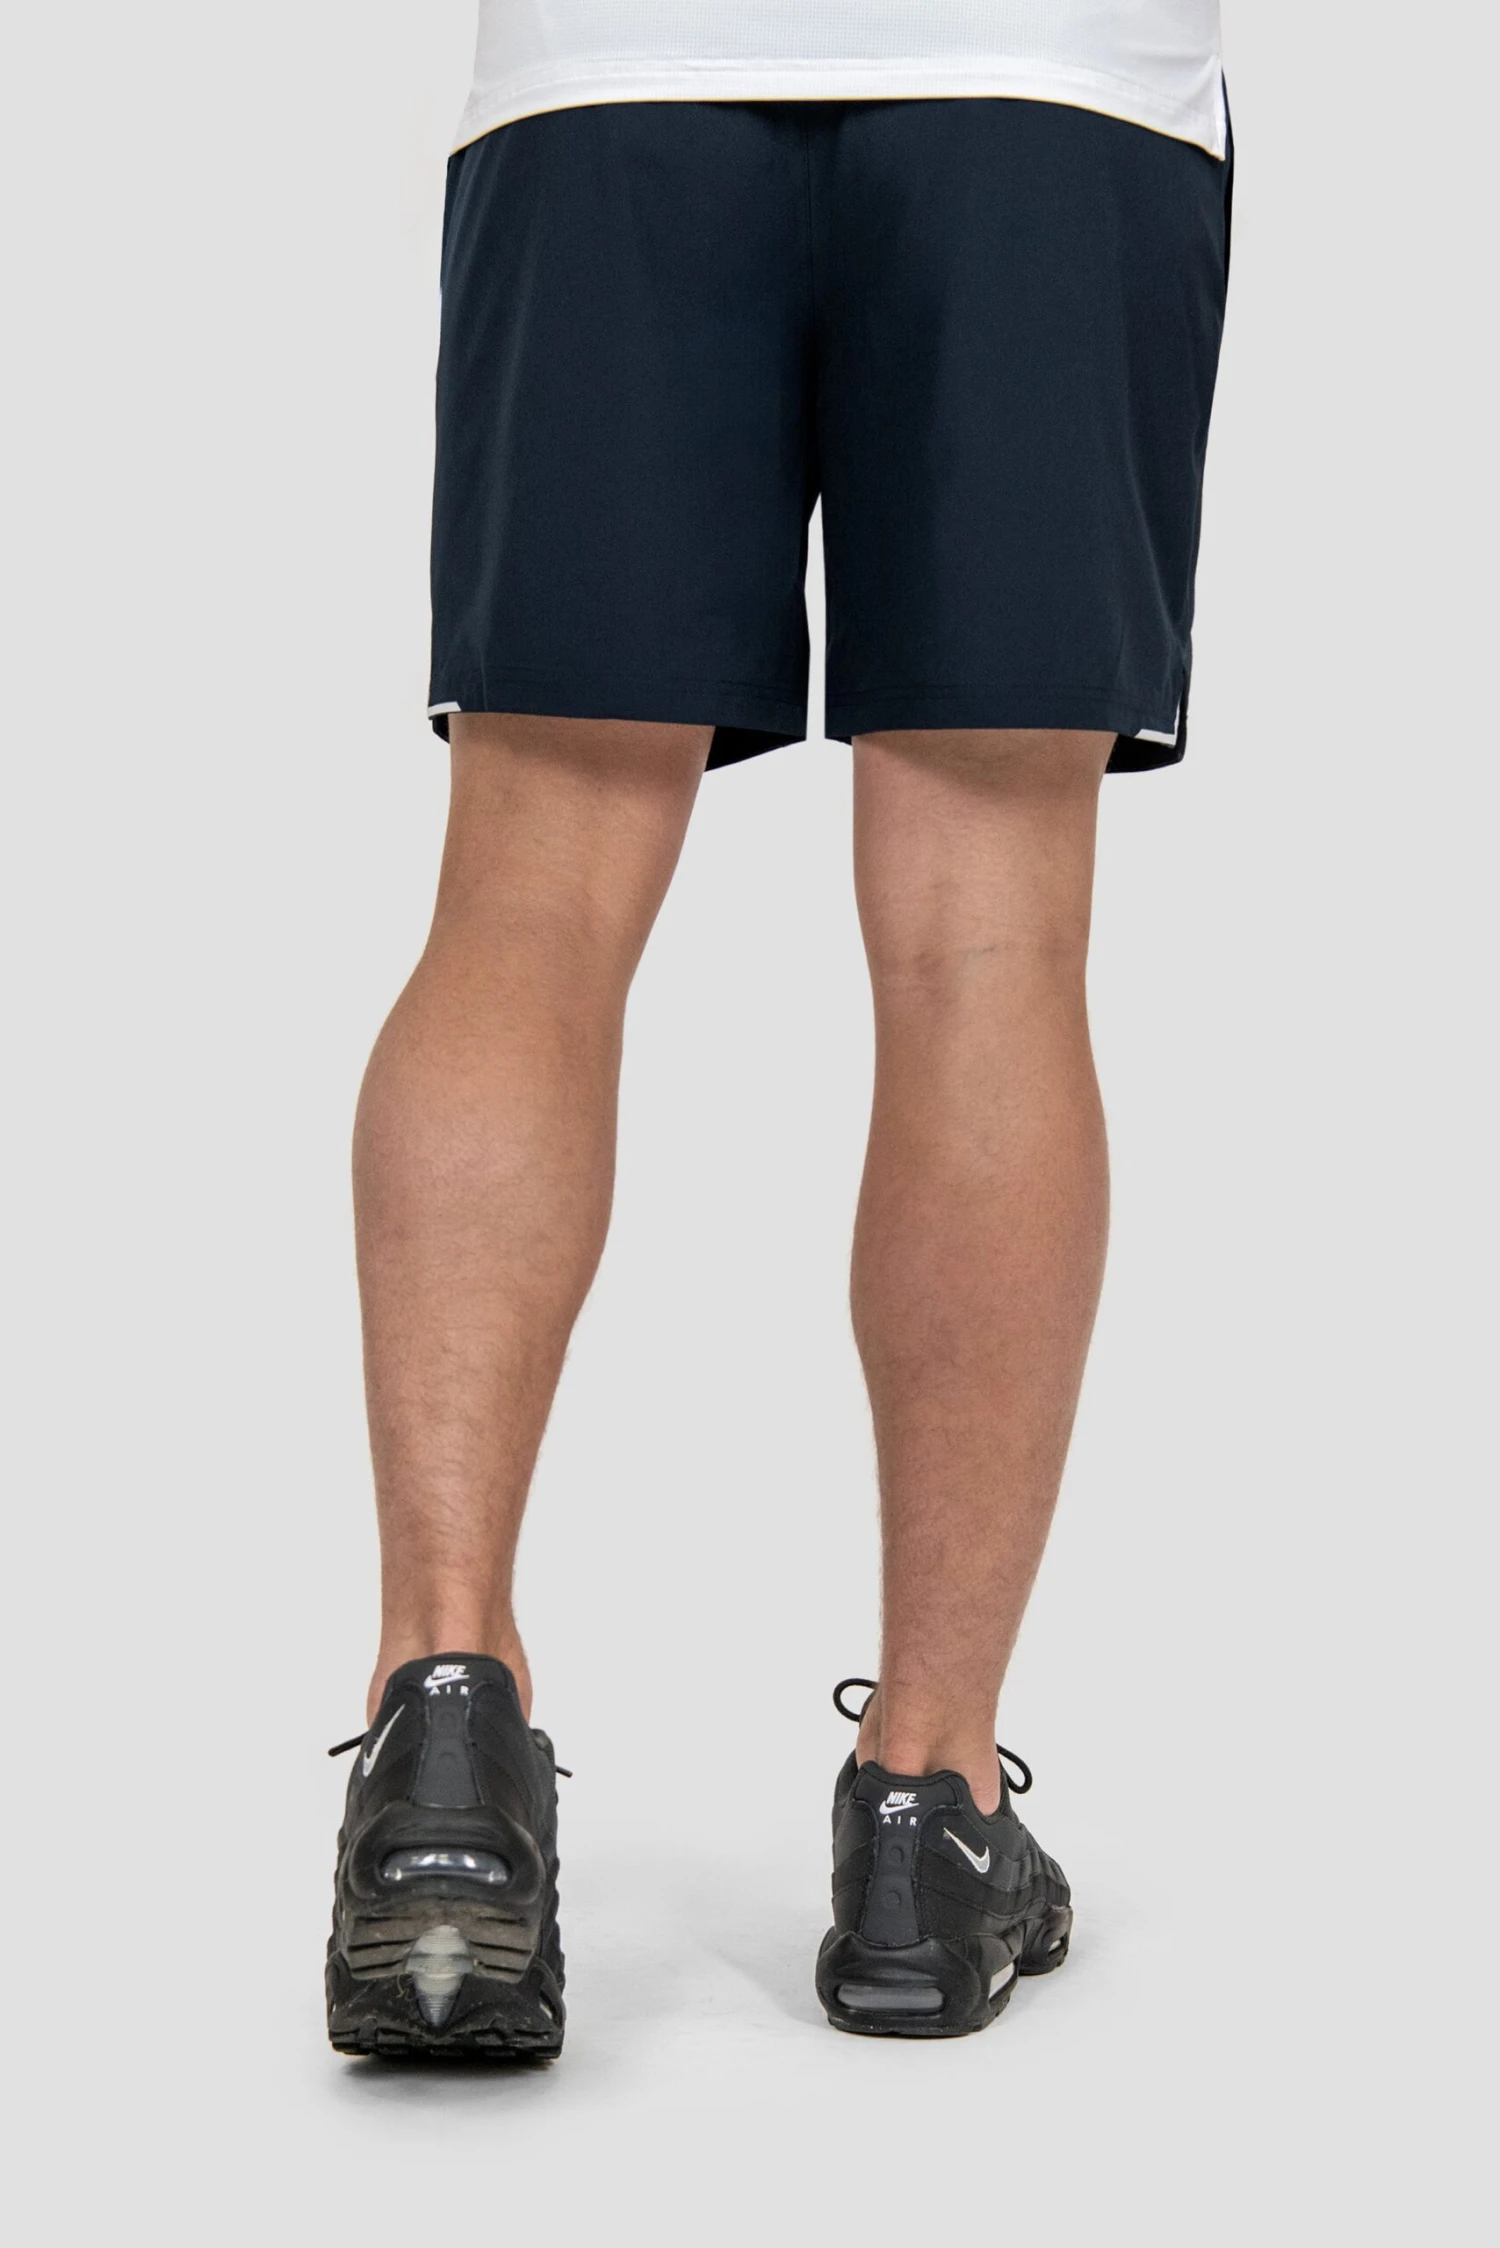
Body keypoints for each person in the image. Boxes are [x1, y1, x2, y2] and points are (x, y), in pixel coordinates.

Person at [325, 2, 1231, 2056]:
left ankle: (443, 1743)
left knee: (528, 897)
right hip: (1047, 86)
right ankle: (928, 1810)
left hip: (615, 74)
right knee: (985, 942)